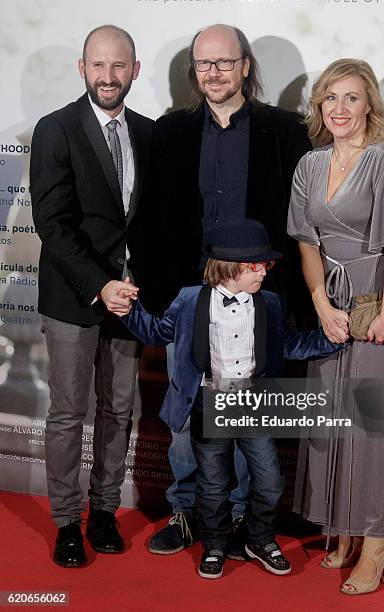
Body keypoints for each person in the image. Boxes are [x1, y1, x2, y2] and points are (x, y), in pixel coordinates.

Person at [149, 22, 313, 555]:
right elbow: (153, 218)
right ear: (194, 71)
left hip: (259, 297)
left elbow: (299, 219)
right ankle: (189, 511)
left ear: (245, 65)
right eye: (203, 64)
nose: (213, 73)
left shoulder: (284, 131)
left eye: (223, 62)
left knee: (244, 417)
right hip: (192, 298)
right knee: (186, 413)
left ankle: (240, 518)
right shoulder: (170, 132)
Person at [113, 219, 342, 579]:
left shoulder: (269, 303)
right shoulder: (190, 300)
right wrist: (129, 310)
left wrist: (333, 337)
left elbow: (288, 345)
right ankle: (215, 544)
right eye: (258, 265)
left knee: (269, 480)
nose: (265, 271)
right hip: (209, 404)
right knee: (213, 482)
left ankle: (260, 538)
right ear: (233, 267)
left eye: (267, 264)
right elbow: (158, 332)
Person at [287, 58, 384, 595]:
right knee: (333, 421)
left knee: (372, 429)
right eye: (330, 98)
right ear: (319, 105)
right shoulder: (308, 165)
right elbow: (305, 241)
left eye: (351, 98)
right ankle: (342, 527)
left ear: (370, 106)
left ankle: (377, 543)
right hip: (332, 307)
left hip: (377, 302)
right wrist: (321, 304)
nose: (339, 108)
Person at [30, 25, 155, 567]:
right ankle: (65, 523)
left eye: (119, 66)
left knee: (119, 410)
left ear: (135, 70)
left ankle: (103, 511)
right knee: (68, 413)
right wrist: (98, 284)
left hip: (129, 299)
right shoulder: (55, 129)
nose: (109, 77)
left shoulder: (150, 134)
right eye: (99, 66)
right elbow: (52, 224)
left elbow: (151, 224)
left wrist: (133, 286)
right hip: (74, 297)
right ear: (82, 69)